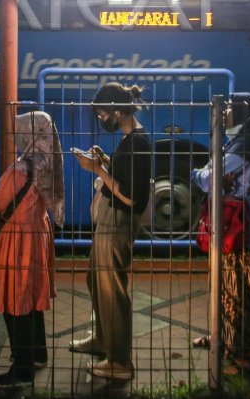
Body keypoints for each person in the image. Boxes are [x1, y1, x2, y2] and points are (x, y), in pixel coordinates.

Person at [69, 82, 153, 383]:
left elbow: (132, 197)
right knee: (96, 279)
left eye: (103, 114)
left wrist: (98, 170)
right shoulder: (130, 140)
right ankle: (103, 339)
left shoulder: (138, 143)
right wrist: (105, 160)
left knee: (112, 289)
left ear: (118, 112)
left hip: (118, 223)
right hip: (109, 221)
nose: (102, 119)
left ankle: (119, 361)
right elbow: (126, 173)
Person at [0, 110, 65, 388]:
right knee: (31, 298)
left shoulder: (20, 170)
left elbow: (0, 203)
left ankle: (22, 370)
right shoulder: (46, 163)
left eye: (20, 132)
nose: (16, 137)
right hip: (38, 235)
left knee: (16, 303)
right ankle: (38, 354)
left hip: (18, 240)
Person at [190, 93, 250, 374]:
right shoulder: (244, 143)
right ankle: (222, 338)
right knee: (226, 287)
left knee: (239, 290)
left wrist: (200, 173)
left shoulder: (244, 148)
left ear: (243, 114)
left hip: (241, 232)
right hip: (236, 229)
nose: (223, 114)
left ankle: (240, 352)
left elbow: (206, 179)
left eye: (228, 110)